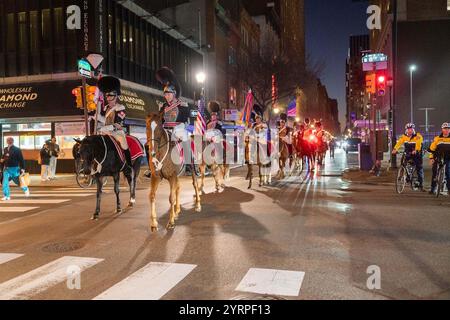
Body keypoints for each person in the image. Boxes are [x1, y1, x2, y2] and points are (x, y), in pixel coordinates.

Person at [97, 76, 133, 169]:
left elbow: (117, 124)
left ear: (116, 96)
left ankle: (129, 166)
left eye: (110, 96)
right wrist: (96, 116)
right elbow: (105, 121)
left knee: (124, 146)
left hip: (117, 133)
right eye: (107, 96)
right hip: (106, 133)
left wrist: (103, 128)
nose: (108, 98)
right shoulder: (106, 108)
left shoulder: (120, 108)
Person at [392, 123, 425, 191]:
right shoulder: (404, 136)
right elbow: (399, 143)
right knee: (403, 163)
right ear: (406, 130)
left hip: (416, 154)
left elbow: (418, 143)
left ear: (413, 130)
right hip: (407, 153)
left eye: (411, 129)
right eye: (408, 129)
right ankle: (405, 175)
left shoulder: (418, 136)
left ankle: (421, 185)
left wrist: (416, 150)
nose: (410, 131)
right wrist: (395, 149)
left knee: (419, 168)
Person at [428, 122, 450, 195]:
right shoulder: (437, 138)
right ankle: (433, 188)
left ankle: (449, 189)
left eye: (448, 129)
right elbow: (432, 149)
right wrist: (431, 158)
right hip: (438, 157)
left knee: (448, 172)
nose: (446, 130)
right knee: (434, 171)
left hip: (448, 158)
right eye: (445, 128)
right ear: (442, 129)